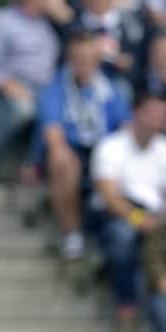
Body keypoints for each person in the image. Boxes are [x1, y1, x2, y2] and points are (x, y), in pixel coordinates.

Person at [34, 32, 130, 262]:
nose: (83, 65)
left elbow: (126, 126)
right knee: (62, 161)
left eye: (89, 59)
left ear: (97, 60)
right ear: (69, 59)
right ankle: (72, 233)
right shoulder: (55, 87)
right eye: (78, 59)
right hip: (72, 148)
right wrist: (60, 150)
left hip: (103, 149)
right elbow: (53, 131)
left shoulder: (111, 88)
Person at [91, 92, 166, 332]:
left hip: (156, 217)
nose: (158, 119)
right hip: (119, 215)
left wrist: (158, 221)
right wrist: (138, 220)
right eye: (153, 113)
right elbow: (109, 196)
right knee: (123, 236)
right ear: (136, 113)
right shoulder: (112, 146)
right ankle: (127, 307)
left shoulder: (163, 149)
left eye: (162, 114)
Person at [0, 0, 60, 187]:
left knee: (55, 110)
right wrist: (7, 84)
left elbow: (82, 46)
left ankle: (34, 165)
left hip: (47, 91)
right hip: (7, 91)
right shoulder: (1, 21)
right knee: (24, 109)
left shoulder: (48, 27)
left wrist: (67, 20)